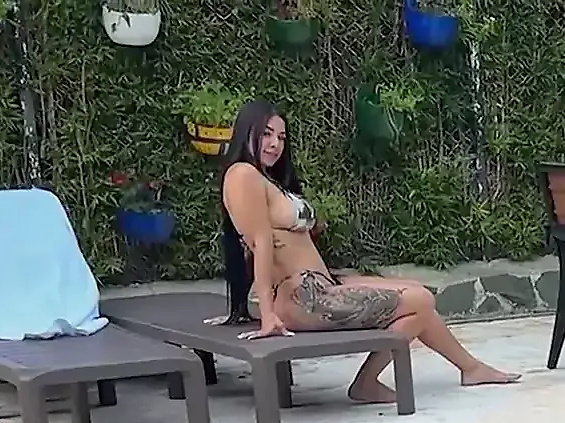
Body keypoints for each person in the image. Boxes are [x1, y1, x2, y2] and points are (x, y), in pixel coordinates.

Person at [215, 99, 520, 405]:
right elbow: (260, 244)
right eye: (266, 134)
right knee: (420, 301)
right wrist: (268, 315)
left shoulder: (264, 178)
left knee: (418, 293)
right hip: (304, 297)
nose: (275, 144)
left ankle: (470, 368)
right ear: (246, 131)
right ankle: (367, 382)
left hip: (320, 285)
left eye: (281, 137)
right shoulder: (242, 174)